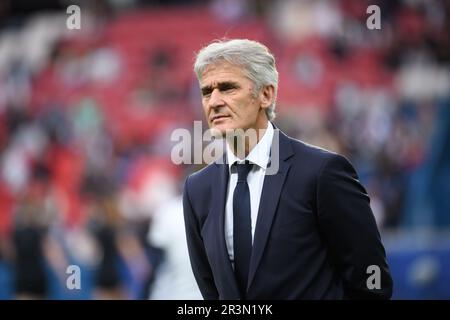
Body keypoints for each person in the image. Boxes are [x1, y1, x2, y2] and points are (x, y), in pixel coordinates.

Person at [182, 39, 393, 300]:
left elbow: (372, 281)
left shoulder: (321, 172)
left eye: (227, 88)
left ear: (266, 94)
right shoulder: (198, 189)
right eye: (206, 92)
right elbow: (212, 292)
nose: (213, 101)